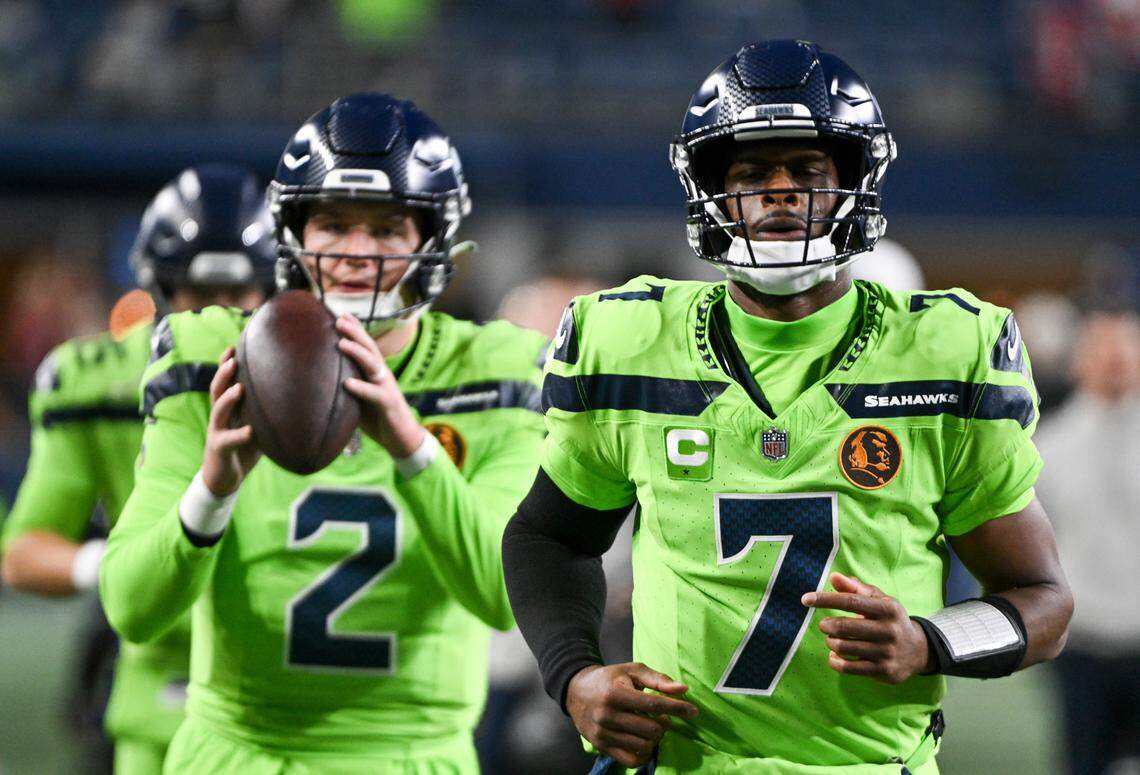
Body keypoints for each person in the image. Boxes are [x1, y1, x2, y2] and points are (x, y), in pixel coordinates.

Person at [502, 40, 1073, 773]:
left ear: (854, 186)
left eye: (806, 170)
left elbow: (1044, 600)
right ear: (712, 191)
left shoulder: (944, 354)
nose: (779, 191)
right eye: (750, 173)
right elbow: (547, 537)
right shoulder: (630, 344)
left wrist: (927, 641)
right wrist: (573, 673)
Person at [100, 93, 547, 773]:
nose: (356, 253)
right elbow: (132, 606)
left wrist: (411, 446)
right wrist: (212, 487)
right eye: (333, 223)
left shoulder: (493, 370)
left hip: (410, 756)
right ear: (293, 232)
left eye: (387, 228)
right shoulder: (208, 355)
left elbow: (501, 596)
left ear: (431, 238)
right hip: (238, 751)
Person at [0, 162, 276, 774]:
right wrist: (119, 566)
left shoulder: (310, 379)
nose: (219, 316)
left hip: (284, 683)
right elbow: (23, 553)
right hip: (157, 675)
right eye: (200, 297)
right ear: (160, 289)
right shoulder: (92, 381)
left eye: (239, 296)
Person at [1036, 308, 1140, 775]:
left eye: (1126, 344)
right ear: (1078, 360)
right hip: (1081, 647)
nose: (1115, 356)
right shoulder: (1045, 448)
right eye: (1101, 344)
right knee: (1083, 763)